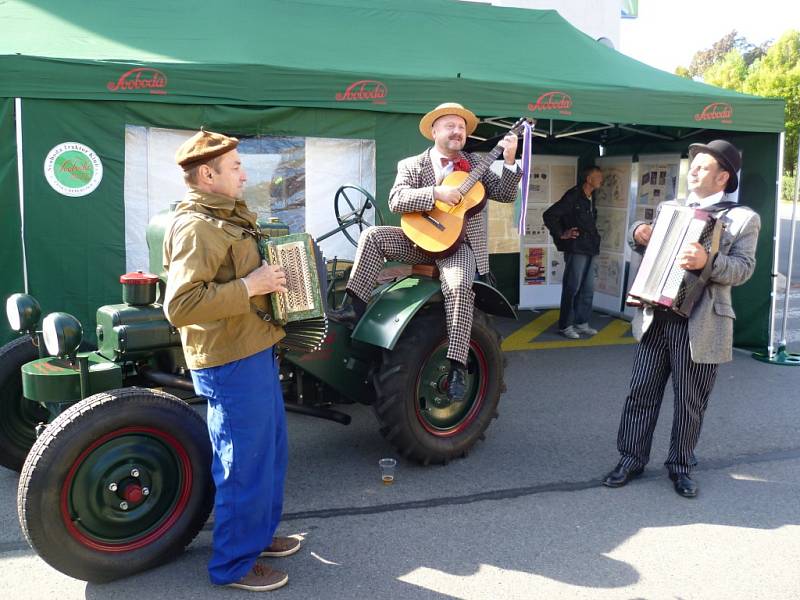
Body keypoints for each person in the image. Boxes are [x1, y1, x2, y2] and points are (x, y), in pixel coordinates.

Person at [163, 129, 301, 592]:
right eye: (236, 166)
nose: (244, 172)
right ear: (207, 174)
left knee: (268, 454)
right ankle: (233, 565)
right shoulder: (197, 225)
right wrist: (252, 286)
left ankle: (257, 537)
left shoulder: (224, 216)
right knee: (242, 463)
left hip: (252, 346)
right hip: (229, 359)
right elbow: (180, 305)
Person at [328, 102, 521, 402]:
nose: (457, 132)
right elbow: (396, 200)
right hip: (418, 242)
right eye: (450, 126)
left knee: (458, 288)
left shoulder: (477, 164)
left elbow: (506, 194)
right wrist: (436, 194)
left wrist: (509, 161)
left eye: (462, 127)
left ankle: (457, 365)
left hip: (459, 248)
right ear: (434, 131)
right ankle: (354, 309)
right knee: (372, 236)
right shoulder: (412, 165)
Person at [602, 139, 760, 498]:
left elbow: (744, 269)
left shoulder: (742, 218)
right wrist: (637, 233)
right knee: (640, 392)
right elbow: (648, 243)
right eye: (695, 166)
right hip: (658, 314)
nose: (694, 173)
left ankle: (681, 465)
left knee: (690, 401)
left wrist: (709, 262)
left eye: (703, 167)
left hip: (701, 321)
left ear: (723, 178)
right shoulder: (670, 207)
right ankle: (630, 459)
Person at [542, 165, 603, 339]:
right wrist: (562, 233)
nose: (601, 180)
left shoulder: (592, 196)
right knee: (572, 287)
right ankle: (565, 325)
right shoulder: (573, 196)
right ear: (589, 179)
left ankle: (581, 322)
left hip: (590, 247)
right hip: (576, 248)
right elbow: (549, 215)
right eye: (598, 176)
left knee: (588, 288)